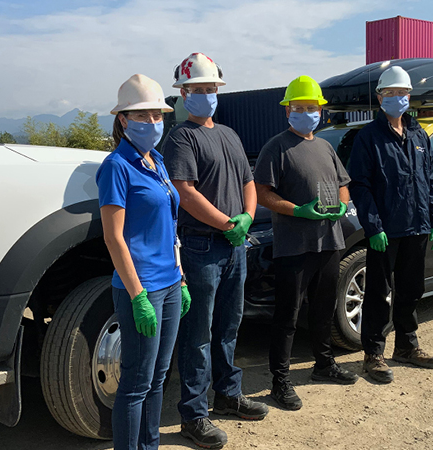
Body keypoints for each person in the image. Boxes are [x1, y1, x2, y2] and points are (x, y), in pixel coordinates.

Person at [163, 52, 268, 449]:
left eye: (211, 89)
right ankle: (193, 413)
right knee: (199, 333)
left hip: (234, 245)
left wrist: (246, 217)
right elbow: (184, 193)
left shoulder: (229, 134)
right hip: (202, 245)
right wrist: (227, 223)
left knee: (228, 326)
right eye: (199, 90)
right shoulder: (181, 137)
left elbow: (248, 180)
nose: (207, 96)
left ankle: (227, 395)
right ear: (183, 94)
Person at [96, 74, 192, 450]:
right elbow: (113, 236)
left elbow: (170, 228)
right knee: (136, 382)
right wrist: (136, 295)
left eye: (157, 114)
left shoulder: (158, 161)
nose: (152, 122)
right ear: (123, 119)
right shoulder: (117, 167)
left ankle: (149, 446)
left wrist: (181, 278)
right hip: (142, 290)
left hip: (168, 284)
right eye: (142, 115)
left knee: (159, 377)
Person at [254, 75, 357, 410]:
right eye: (299, 107)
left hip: (329, 241)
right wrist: (299, 210)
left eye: (311, 107)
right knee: (287, 315)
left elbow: (343, 183)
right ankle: (279, 382)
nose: (306, 112)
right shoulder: (276, 147)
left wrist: (342, 204)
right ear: (288, 111)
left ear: (320, 111)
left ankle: (324, 365)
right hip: (294, 246)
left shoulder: (325, 146)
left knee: (324, 307)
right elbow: (262, 194)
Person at [347, 65, 433, 384]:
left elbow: (431, 179)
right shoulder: (368, 138)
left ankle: (407, 346)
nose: (396, 98)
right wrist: (373, 227)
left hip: (417, 227)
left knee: (412, 290)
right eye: (390, 93)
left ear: (409, 96)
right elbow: (360, 186)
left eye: (401, 93)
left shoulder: (419, 136)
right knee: (378, 293)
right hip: (385, 233)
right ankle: (373, 354)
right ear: (379, 97)